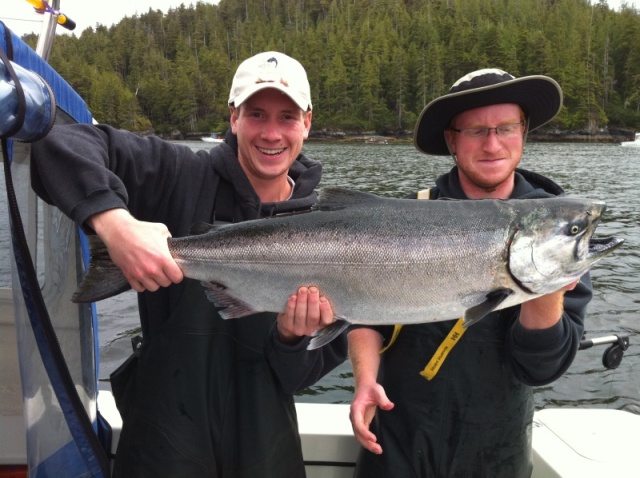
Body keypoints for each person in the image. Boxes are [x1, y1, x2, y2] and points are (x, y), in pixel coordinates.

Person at [30, 51, 347, 478]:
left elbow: (297, 379)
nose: (271, 133)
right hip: (164, 435)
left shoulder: (337, 233)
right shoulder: (177, 172)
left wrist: (292, 338)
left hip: (266, 444)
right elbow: (57, 143)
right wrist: (115, 224)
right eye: (256, 114)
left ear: (307, 123)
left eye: (287, 117)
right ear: (233, 118)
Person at [347, 69, 592, 478]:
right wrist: (364, 379)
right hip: (393, 444)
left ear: (524, 132)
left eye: (506, 127)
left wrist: (544, 286)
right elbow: (367, 311)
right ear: (452, 140)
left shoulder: (556, 229)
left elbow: (542, 370)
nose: (493, 143)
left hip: (497, 454)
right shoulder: (404, 216)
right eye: (476, 130)